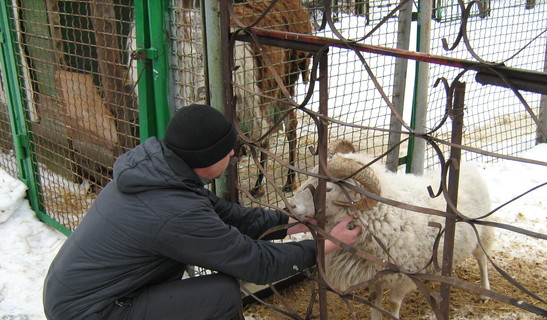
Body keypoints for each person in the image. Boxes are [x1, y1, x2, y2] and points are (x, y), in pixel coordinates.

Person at [43, 104, 361, 320]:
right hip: (90, 312)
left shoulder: (161, 172)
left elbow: (232, 217)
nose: (234, 152)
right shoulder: (174, 212)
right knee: (220, 294)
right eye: (228, 149)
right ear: (209, 157)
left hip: (80, 292)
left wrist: (292, 222)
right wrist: (327, 244)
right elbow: (258, 264)